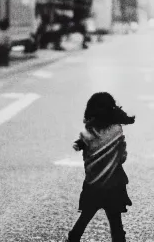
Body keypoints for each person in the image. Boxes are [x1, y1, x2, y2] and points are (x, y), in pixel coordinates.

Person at [66, 92, 135, 242]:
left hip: (93, 184)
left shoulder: (87, 134)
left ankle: (73, 238)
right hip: (114, 184)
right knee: (116, 223)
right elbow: (122, 157)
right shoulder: (117, 131)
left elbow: (79, 147)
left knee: (84, 218)